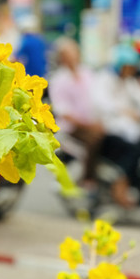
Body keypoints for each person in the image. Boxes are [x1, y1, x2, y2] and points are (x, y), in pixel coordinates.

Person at [94, 45, 140, 208]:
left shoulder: (128, 82)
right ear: (121, 65)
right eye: (129, 67)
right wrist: (124, 111)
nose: (131, 71)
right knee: (134, 151)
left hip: (128, 128)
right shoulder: (105, 79)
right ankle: (120, 185)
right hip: (110, 128)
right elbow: (101, 103)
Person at [47, 38, 104, 184]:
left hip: (90, 121)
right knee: (95, 138)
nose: (72, 58)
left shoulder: (87, 73)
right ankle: (88, 178)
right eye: (67, 55)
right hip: (71, 127)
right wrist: (88, 125)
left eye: (73, 53)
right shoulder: (58, 79)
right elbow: (63, 111)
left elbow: (97, 98)